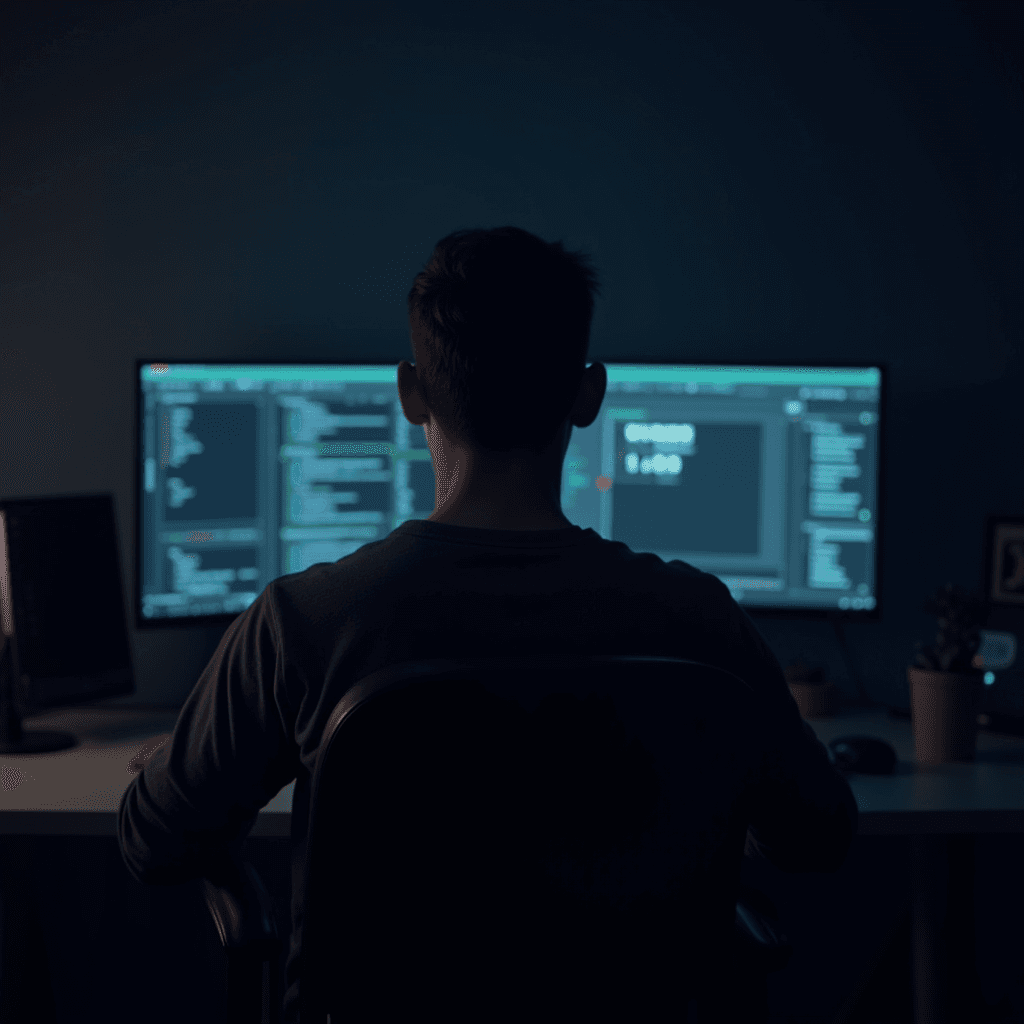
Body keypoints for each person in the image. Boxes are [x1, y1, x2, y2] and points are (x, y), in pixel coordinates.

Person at [118, 226, 857, 1023]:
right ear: (589, 395)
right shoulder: (701, 621)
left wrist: (183, 756)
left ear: (410, 393)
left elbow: (154, 843)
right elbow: (819, 839)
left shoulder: (304, 622)